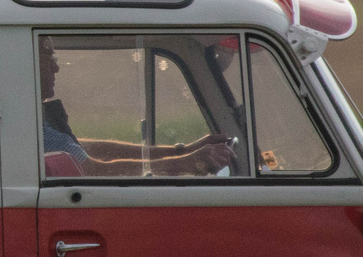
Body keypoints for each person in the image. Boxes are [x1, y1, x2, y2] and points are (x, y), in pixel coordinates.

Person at [40, 40, 236, 177]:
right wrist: (186, 163)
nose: (56, 67)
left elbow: (86, 150)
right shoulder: (27, 128)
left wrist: (184, 151)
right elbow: (93, 172)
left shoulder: (32, 122)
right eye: (49, 56)